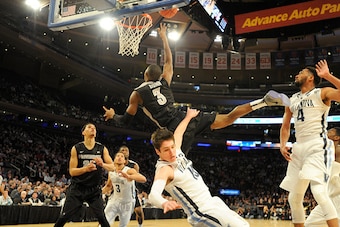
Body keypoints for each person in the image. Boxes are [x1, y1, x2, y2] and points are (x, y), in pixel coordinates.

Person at [103, 23, 290, 155]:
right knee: (229, 117)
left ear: (145, 76)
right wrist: (164, 39)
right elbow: (169, 61)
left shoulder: (137, 93)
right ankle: (262, 101)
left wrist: (113, 116)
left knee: (174, 166)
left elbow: (126, 120)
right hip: (188, 116)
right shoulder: (165, 81)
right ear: (158, 75)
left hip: (175, 129)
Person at [148, 107, 250, 226]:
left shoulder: (176, 150)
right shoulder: (165, 169)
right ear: (157, 151)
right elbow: (153, 195)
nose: (172, 152)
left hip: (212, 202)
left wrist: (188, 117)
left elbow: (179, 132)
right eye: (166, 150)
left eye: (172, 147)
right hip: (201, 212)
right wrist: (163, 203)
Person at [279, 59, 340, 227]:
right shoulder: (292, 99)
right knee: (294, 197)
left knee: (319, 192)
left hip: (317, 144)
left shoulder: (322, 93)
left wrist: (328, 76)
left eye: (302, 72)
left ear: (311, 77)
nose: (298, 74)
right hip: (299, 147)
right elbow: (285, 125)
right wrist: (283, 143)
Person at [54, 123, 115, 227]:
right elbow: (72, 171)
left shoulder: (102, 148)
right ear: (83, 132)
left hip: (94, 189)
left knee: (101, 217)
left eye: (94, 128)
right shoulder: (76, 148)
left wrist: (102, 164)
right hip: (78, 188)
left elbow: (113, 167)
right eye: (89, 127)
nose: (93, 129)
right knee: (64, 216)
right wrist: (86, 169)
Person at [305, 127, 340, 227]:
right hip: (328, 197)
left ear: (337, 137)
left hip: (337, 197)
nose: (327, 132)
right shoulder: (326, 150)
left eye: (330, 132)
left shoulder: (338, 149)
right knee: (309, 224)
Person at [102, 151, 147, 227]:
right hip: (114, 200)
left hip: (127, 202)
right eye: (117, 156)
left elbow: (143, 179)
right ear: (114, 159)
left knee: (123, 225)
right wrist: (98, 194)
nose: (119, 157)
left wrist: (129, 177)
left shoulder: (129, 170)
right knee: (104, 221)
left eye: (122, 156)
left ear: (125, 161)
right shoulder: (111, 172)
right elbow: (108, 186)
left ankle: (140, 225)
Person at [119, 145, 145, 227]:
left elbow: (137, 178)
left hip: (130, 191)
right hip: (118, 191)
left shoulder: (134, 165)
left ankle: (140, 226)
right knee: (110, 211)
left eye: (126, 150)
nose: (124, 151)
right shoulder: (115, 164)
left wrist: (128, 176)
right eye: (122, 150)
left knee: (139, 212)